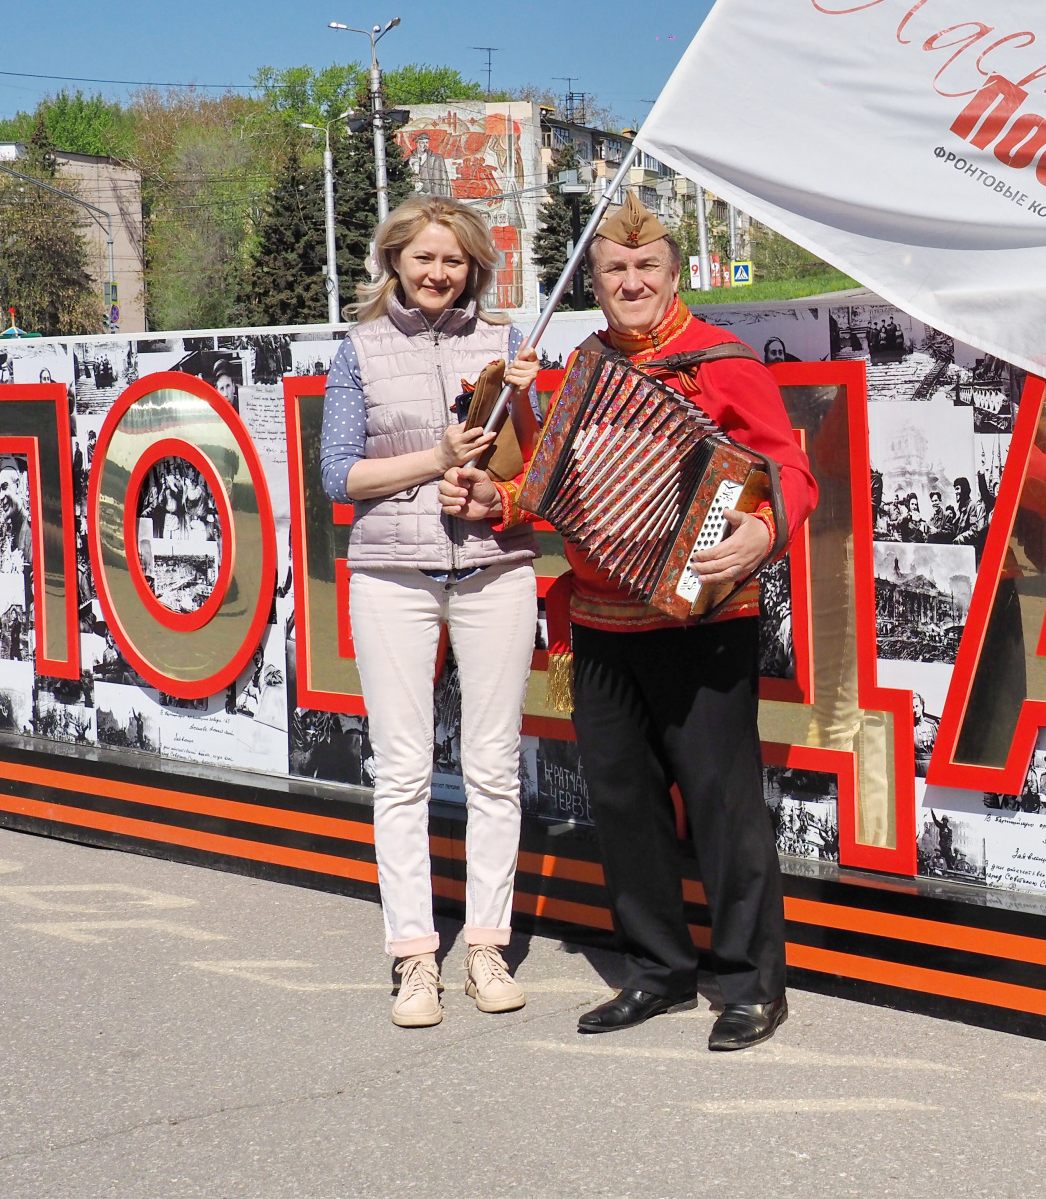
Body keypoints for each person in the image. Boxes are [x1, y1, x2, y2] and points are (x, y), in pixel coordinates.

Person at [449, 189, 818, 1052]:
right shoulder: (583, 366)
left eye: (646, 266)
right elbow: (552, 485)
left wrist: (764, 530)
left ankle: (751, 985)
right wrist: (498, 500)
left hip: (704, 616)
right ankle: (657, 971)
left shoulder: (720, 362)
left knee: (724, 806)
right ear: (596, 281)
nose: (631, 281)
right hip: (601, 618)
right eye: (614, 269)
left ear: (675, 275)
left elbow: (791, 470)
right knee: (623, 805)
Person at [319, 196, 543, 1027]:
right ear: (395, 262)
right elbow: (339, 476)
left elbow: (533, 469)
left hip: (494, 569)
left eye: (453, 260)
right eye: (423, 258)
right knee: (403, 768)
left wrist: (517, 422)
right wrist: (435, 457)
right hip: (392, 574)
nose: (438, 273)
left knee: (493, 765)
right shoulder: (360, 349)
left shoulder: (506, 346)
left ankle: (486, 945)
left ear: (473, 267)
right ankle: (415, 956)